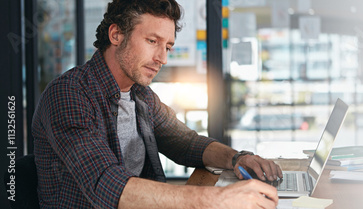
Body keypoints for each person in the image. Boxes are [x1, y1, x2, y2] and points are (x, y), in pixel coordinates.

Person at [31, 0, 283, 208]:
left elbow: (186, 142)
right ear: (116, 34)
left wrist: (237, 158)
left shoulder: (142, 95)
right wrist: (217, 199)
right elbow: (104, 184)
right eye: (152, 41)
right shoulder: (69, 94)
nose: (162, 58)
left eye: (168, 47)